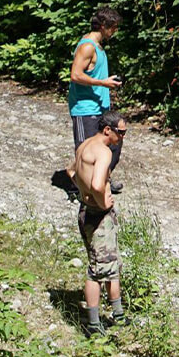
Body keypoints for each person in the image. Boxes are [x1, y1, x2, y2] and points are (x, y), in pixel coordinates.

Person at [68, 110, 128, 336]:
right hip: (97, 216)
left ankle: (118, 314)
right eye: (121, 132)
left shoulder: (84, 145)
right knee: (97, 270)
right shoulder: (103, 152)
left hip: (85, 211)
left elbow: (71, 171)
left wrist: (83, 194)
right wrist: (103, 202)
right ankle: (93, 325)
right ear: (107, 130)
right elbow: (96, 183)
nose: (122, 137)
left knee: (111, 263)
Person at [68, 7, 125, 193]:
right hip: (85, 108)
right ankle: (84, 189)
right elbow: (75, 75)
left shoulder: (97, 46)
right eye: (112, 27)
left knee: (114, 142)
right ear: (102, 26)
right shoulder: (87, 46)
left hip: (101, 107)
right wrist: (102, 82)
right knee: (87, 152)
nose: (114, 31)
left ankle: (101, 179)